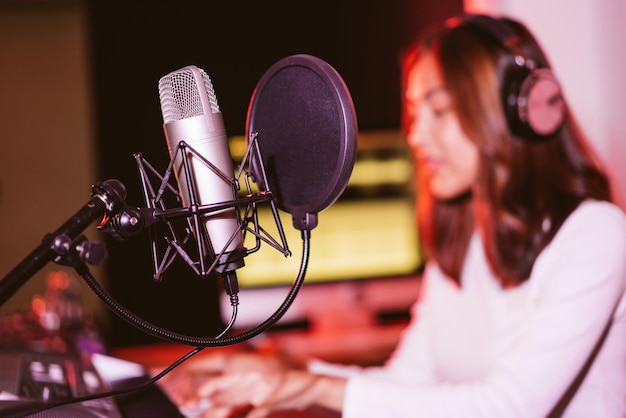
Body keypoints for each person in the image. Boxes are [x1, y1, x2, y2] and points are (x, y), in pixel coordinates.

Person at [159, 12, 626, 418]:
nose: (416, 135)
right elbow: (407, 381)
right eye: (413, 112)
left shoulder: (595, 234)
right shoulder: (466, 237)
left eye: (438, 110)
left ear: (514, 112)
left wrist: (308, 386)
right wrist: (285, 373)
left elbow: (507, 408)